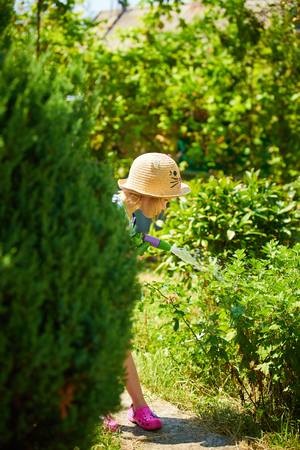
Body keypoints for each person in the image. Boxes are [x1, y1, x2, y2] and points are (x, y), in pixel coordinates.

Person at [104, 152, 191, 432]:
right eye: (165, 198)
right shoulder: (111, 212)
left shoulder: (125, 212)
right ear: (148, 194)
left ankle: (137, 406)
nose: (167, 205)